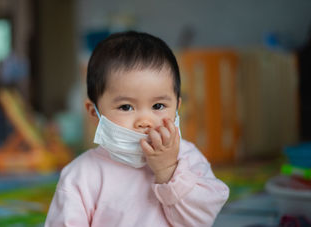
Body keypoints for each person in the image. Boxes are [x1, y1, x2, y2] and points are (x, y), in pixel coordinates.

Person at [44, 31, 229, 227]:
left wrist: (169, 172)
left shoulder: (187, 157)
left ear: (177, 107)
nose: (145, 121)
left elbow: (203, 218)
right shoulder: (81, 174)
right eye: (126, 107)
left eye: (158, 106)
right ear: (93, 112)